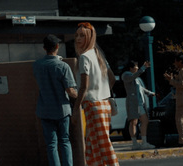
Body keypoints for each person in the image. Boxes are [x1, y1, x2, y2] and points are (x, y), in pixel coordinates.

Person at [72, 22, 119, 166]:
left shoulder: (85, 57)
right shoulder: (99, 55)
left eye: (82, 36)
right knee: (92, 145)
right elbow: (112, 78)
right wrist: (103, 90)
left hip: (92, 105)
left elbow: (84, 86)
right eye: (77, 35)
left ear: (89, 37)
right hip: (104, 103)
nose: (78, 39)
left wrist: (76, 108)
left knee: (102, 143)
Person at [33, 34, 77, 166]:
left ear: (44, 48)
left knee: (51, 144)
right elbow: (70, 91)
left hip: (44, 109)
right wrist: (80, 95)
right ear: (57, 46)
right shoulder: (63, 66)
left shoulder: (36, 65)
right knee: (64, 140)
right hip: (62, 109)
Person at [122, 60, 156, 150]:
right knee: (133, 122)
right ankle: (134, 143)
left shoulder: (137, 78)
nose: (137, 68)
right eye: (136, 66)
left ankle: (144, 142)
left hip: (140, 103)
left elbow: (141, 88)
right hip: (133, 102)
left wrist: (150, 93)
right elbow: (132, 77)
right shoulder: (126, 75)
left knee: (145, 121)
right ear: (131, 68)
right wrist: (143, 68)